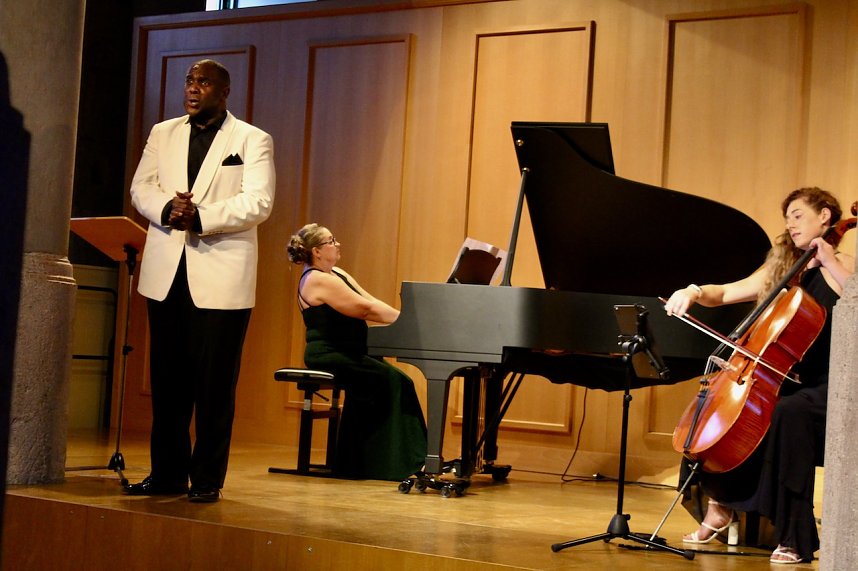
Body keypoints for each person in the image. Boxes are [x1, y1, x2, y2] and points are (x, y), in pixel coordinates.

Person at [664, 187, 854, 563]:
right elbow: (724, 293)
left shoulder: (843, 263)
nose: (790, 223)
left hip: (833, 384)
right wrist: (693, 291)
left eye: (798, 214)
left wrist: (830, 262)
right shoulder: (783, 266)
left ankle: (795, 537)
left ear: (826, 217)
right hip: (787, 378)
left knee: (788, 414)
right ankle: (719, 504)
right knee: (718, 411)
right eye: (787, 216)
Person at [124, 59, 275, 503]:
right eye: (189, 81)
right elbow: (141, 188)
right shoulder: (162, 132)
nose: (193, 89)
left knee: (214, 384)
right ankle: (167, 473)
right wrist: (170, 210)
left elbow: (259, 202)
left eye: (204, 82)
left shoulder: (251, 139)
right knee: (168, 382)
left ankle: (207, 479)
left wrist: (202, 215)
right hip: (166, 273)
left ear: (224, 92)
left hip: (222, 275)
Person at [286, 223, 427, 480]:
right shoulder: (316, 279)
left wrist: (404, 319)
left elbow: (370, 301)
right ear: (317, 251)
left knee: (387, 381)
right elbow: (364, 310)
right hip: (330, 353)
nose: (337, 244)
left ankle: (366, 459)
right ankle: (399, 462)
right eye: (331, 241)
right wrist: (412, 323)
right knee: (398, 382)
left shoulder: (337, 273)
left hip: (351, 351)